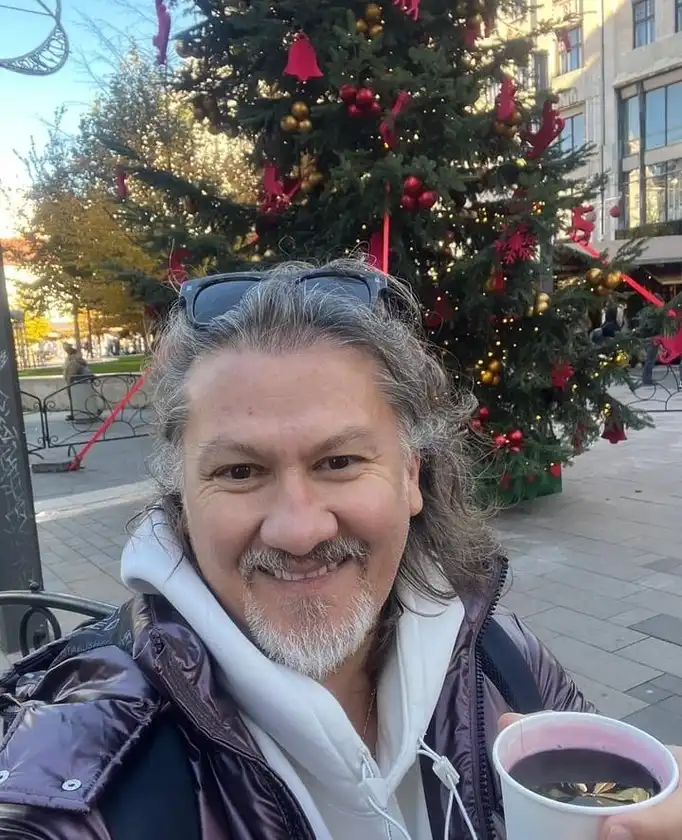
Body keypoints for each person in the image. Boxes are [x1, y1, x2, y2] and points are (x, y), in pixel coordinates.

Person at [0, 261, 679, 840]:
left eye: (340, 462)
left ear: (411, 476)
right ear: (183, 496)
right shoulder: (81, 770)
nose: (299, 530)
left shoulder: (505, 661)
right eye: (240, 472)